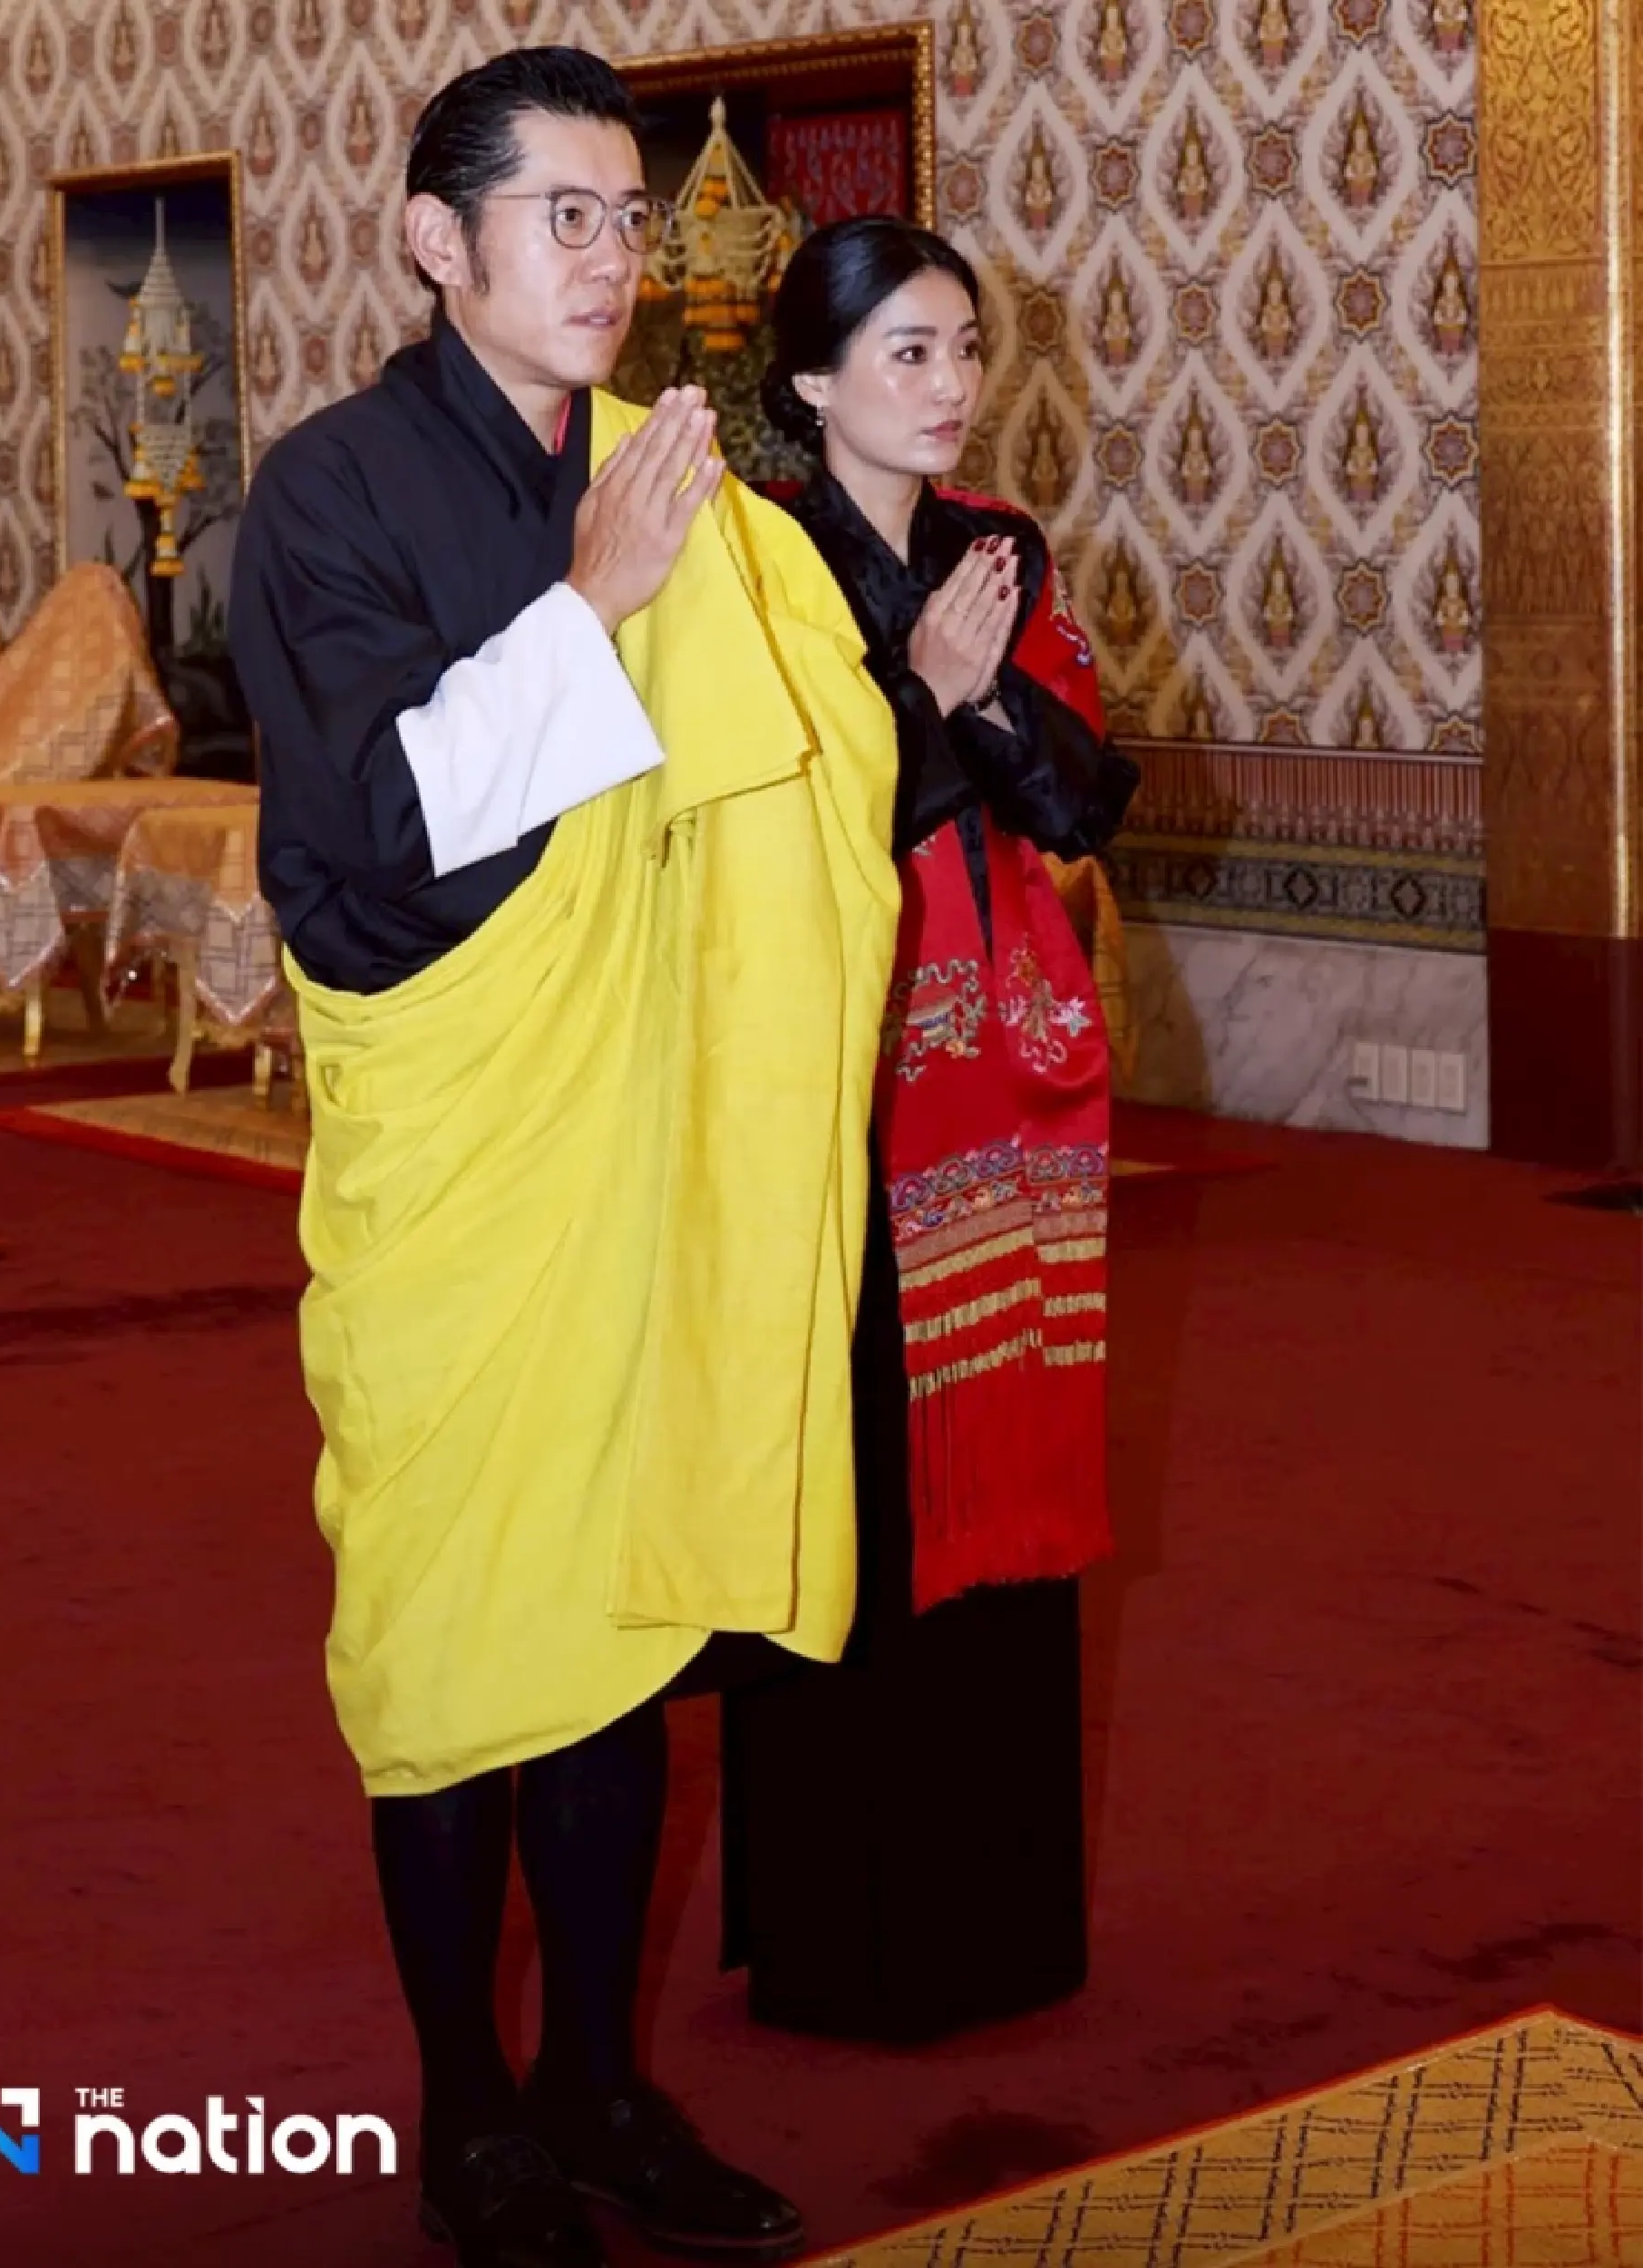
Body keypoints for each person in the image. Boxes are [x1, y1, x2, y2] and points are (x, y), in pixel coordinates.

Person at [228, 54, 901, 2268]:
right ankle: (467, 2112)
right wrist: (590, 612)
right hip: (463, 1152)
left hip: (641, 1138)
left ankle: (603, 2080)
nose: (617, 263)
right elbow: (363, 850)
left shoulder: (671, 469)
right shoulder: (324, 496)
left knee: (618, 1632)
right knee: (447, 1641)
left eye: (633, 222)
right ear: (442, 242)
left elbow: (804, 753)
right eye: (570, 219)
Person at [721, 217, 1140, 2042]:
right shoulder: (755, 562)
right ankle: (843, 1928)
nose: (950, 383)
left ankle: (997, 1915)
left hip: (1003, 1065)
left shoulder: (1001, 545)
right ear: (808, 384)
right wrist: (939, 701)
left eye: (963, 346)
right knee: (857, 1475)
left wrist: (977, 708)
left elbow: (1086, 789)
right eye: (905, 351)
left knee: (1009, 1445)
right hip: (832, 1063)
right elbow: (785, 813)